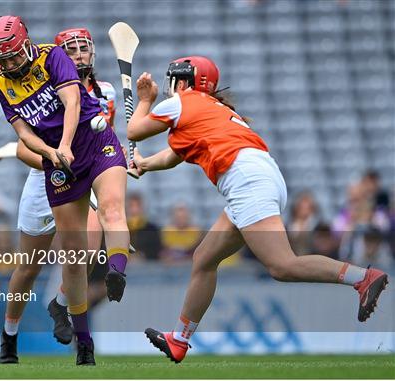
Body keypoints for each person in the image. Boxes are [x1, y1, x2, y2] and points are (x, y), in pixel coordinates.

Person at [126, 56, 389, 363]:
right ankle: (179, 340)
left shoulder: (184, 101)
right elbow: (172, 156)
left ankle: (362, 277)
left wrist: (145, 100)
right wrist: (144, 164)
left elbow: (134, 131)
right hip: (258, 175)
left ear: (184, 82)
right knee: (204, 258)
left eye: (174, 81)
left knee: (282, 266)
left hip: (246, 180)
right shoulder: (212, 109)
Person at [0, 16, 130, 366]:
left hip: (90, 151)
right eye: (0, 60)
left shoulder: (91, 82)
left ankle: (111, 277)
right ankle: (9, 335)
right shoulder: (4, 84)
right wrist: (51, 154)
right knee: (30, 267)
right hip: (49, 171)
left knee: (99, 231)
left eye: (12, 56)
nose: (8, 65)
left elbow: (75, 105)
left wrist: (69, 145)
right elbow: (23, 140)